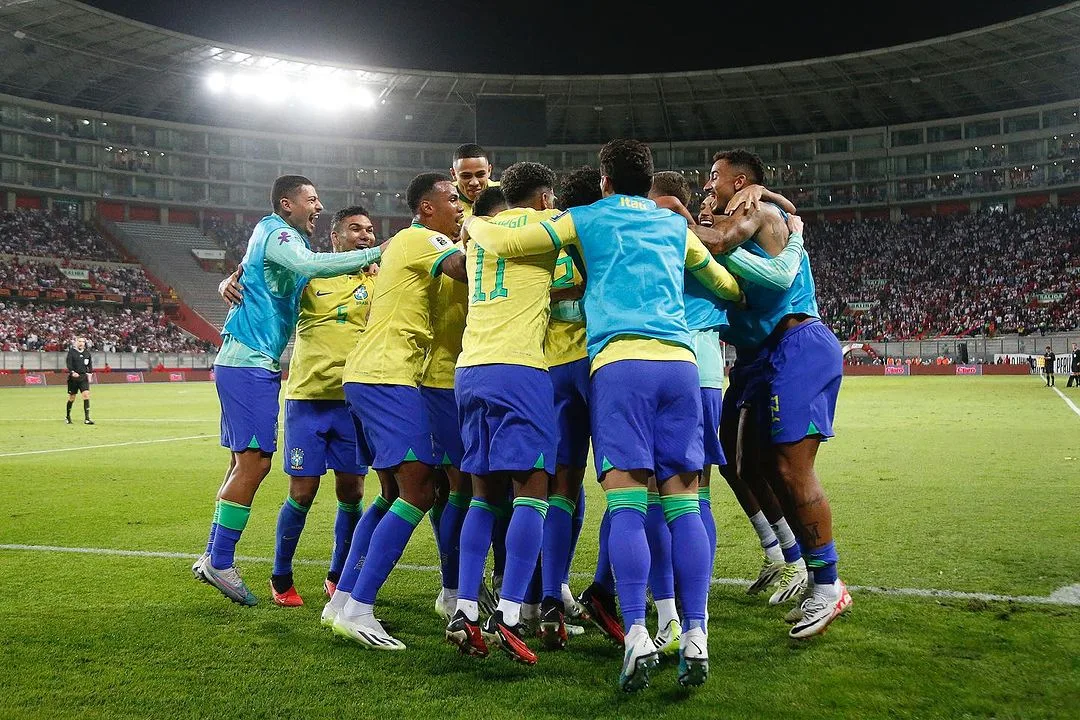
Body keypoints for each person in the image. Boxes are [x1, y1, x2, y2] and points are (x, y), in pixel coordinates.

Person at [463, 139, 747, 691]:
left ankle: (637, 634)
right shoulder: (673, 228)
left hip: (619, 367)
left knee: (625, 504)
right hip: (681, 367)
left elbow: (510, 238)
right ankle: (695, 635)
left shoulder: (585, 217)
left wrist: (474, 225)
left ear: (604, 179)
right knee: (684, 505)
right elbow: (727, 284)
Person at [193, 176, 385, 608]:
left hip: (315, 386)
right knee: (257, 464)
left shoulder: (297, 254)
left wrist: (232, 278)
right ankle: (223, 560)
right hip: (261, 369)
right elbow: (306, 266)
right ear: (287, 204)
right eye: (311, 199)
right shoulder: (290, 245)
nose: (317, 205)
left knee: (246, 463)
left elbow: (258, 271)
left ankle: (214, 554)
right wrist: (377, 252)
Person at [693, 149, 850, 639]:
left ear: (740, 181)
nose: (707, 186)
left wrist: (668, 217)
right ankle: (791, 558)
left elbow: (724, 243)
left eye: (714, 178)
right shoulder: (745, 212)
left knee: (788, 466)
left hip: (795, 343)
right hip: (757, 357)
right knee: (746, 464)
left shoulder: (759, 213)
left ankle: (828, 585)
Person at [326, 172, 468, 651]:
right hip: (388, 375)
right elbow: (467, 268)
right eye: (452, 199)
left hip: (371, 374)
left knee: (388, 493)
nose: (460, 206)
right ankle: (361, 607)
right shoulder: (421, 238)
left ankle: (341, 599)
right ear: (427, 208)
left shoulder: (406, 245)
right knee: (420, 488)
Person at [443, 161, 565, 665]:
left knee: (482, 494)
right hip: (520, 369)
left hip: (470, 369)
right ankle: (512, 613)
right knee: (533, 490)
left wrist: (470, 221)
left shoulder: (476, 238)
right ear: (541, 197)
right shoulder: (546, 229)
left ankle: (466, 607)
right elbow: (576, 279)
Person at [451, 143, 500, 216]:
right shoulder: (442, 200)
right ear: (454, 174)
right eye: (466, 176)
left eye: (480, 175)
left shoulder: (505, 193)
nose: (474, 183)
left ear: (489, 171)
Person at [65, 336, 94, 425]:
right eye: (79, 341)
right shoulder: (71, 352)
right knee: (72, 398)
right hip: (73, 378)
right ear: (76, 342)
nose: (81, 343)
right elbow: (69, 364)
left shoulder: (87, 353)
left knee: (86, 395)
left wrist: (89, 374)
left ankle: (87, 419)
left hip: (83, 377)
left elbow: (89, 365)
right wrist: (72, 372)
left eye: (83, 342)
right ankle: (68, 416)